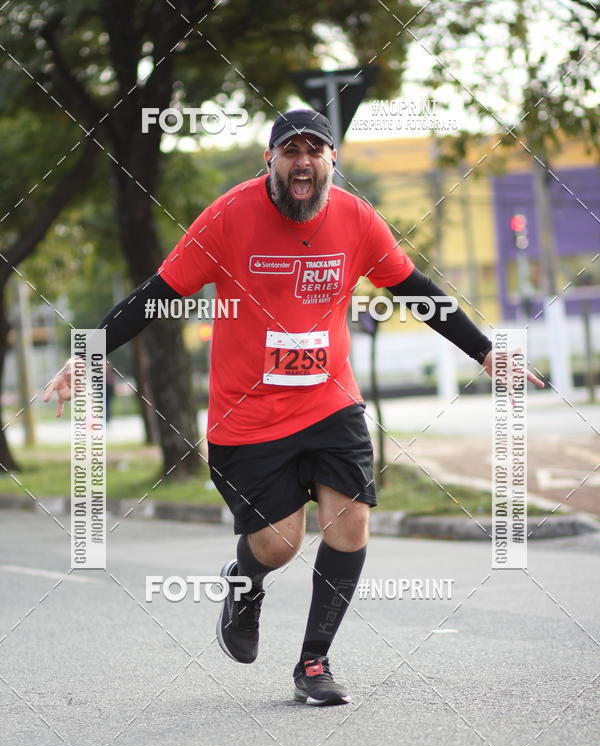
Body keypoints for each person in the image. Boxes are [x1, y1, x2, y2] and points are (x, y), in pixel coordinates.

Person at [44, 109, 543, 706]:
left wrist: (485, 351)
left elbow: (414, 289)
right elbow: (158, 295)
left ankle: (314, 662)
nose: (302, 161)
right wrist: (90, 354)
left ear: (333, 161)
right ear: (271, 162)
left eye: (314, 150)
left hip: (331, 403)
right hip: (248, 416)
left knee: (351, 523)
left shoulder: (357, 219)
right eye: (290, 151)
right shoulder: (229, 216)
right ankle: (245, 580)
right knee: (280, 543)